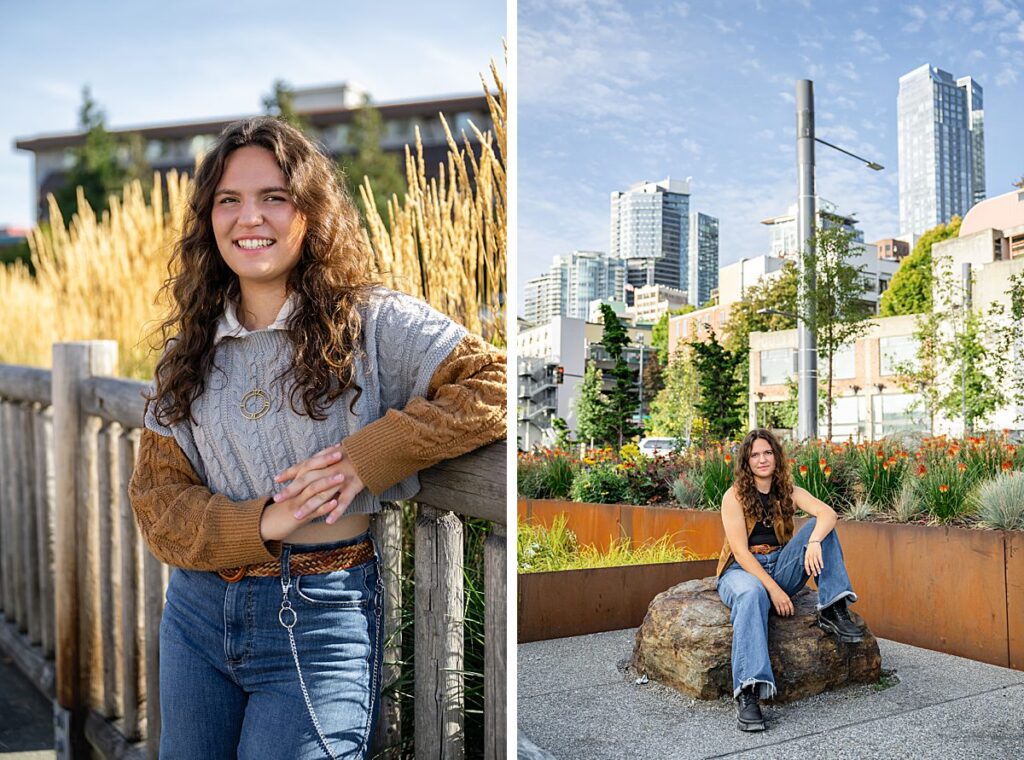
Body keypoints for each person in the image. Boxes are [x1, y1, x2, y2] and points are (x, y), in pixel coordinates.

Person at [128, 117, 506, 759]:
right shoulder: (186, 352)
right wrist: (265, 522)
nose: (251, 217)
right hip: (195, 616)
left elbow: (493, 383)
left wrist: (368, 458)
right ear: (209, 220)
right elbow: (158, 504)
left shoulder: (373, 322)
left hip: (320, 614)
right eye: (229, 200)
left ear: (310, 211)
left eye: (274, 196)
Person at [715, 428, 862, 732]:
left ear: (776, 456)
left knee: (822, 529)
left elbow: (827, 513)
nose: (762, 459)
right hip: (742, 571)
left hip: (780, 564)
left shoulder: (787, 489)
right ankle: (748, 692)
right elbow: (741, 553)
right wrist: (774, 590)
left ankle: (833, 608)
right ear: (747, 461)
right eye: (755, 454)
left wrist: (814, 542)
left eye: (767, 452)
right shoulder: (734, 496)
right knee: (751, 595)